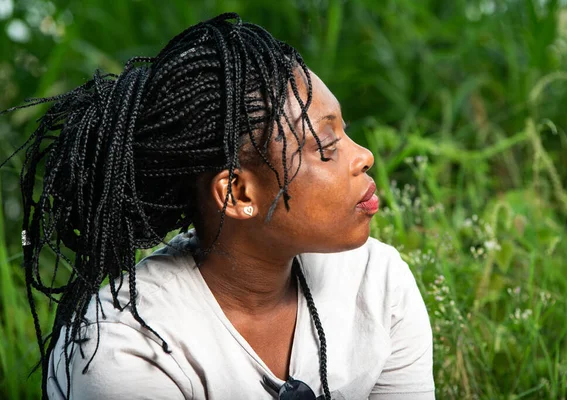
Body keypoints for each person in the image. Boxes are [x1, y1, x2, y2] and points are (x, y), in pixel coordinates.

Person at [2, 12, 434, 400]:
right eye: (326, 146)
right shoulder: (126, 350)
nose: (363, 156)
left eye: (345, 132)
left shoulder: (375, 283)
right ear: (237, 195)